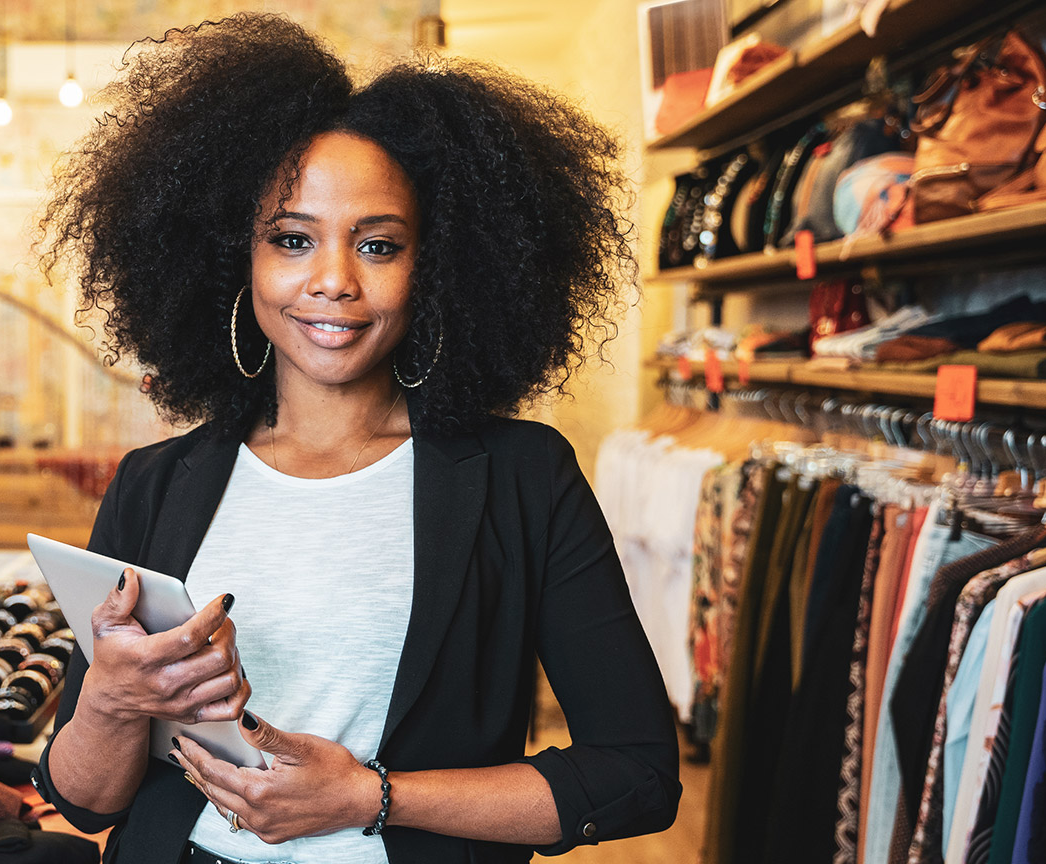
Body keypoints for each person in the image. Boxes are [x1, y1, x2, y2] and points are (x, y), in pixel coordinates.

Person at [34, 13, 680, 864]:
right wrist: (112, 704)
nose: (332, 281)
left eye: (378, 245)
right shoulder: (155, 484)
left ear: (437, 269)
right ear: (238, 261)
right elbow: (85, 803)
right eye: (292, 239)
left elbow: (636, 775)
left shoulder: (524, 478)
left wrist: (372, 798)